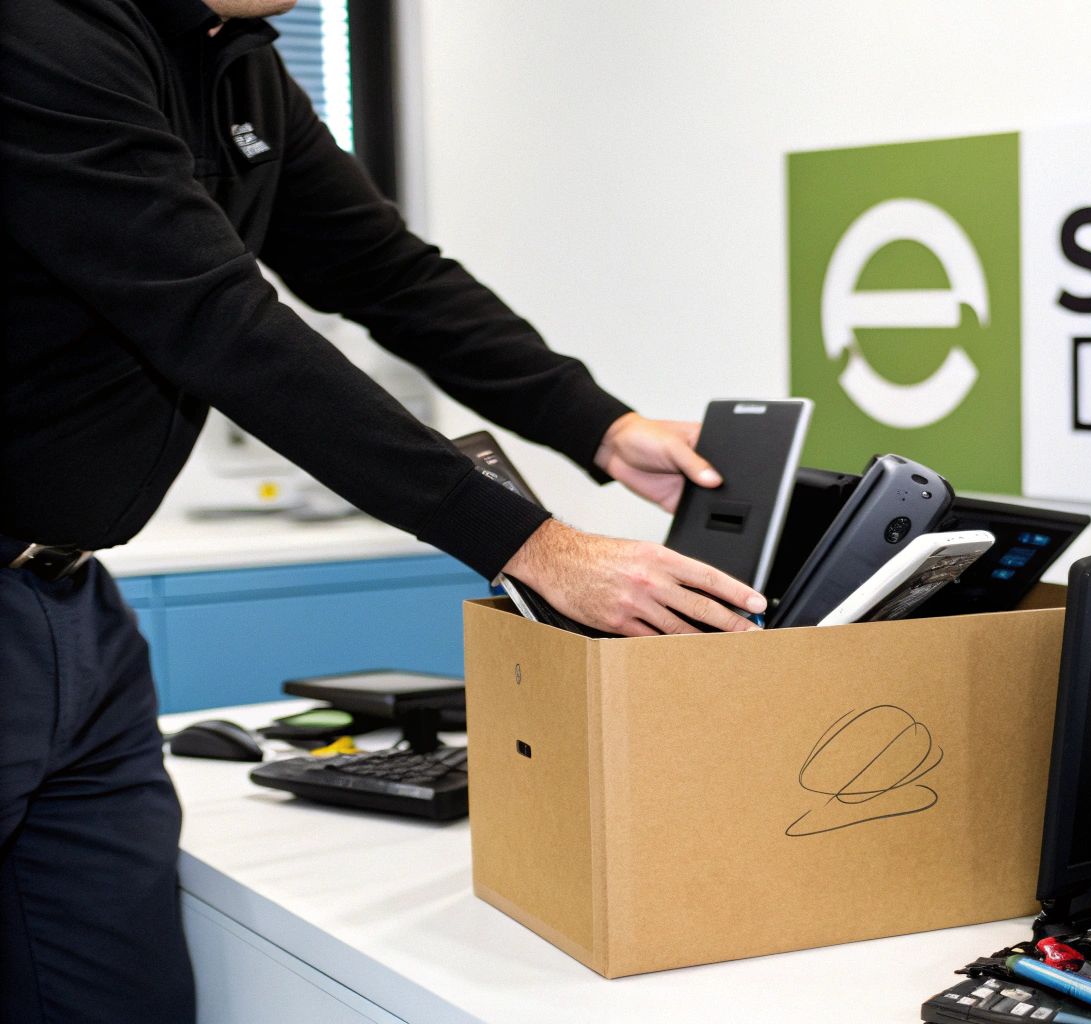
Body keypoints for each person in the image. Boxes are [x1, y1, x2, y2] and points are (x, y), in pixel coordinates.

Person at [0, 0, 762, 1018]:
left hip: (73, 609)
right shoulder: (41, 34)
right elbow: (217, 321)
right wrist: (528, 542)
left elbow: (386, 274)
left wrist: (596, 424)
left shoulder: (243, 68)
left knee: (115, 991)